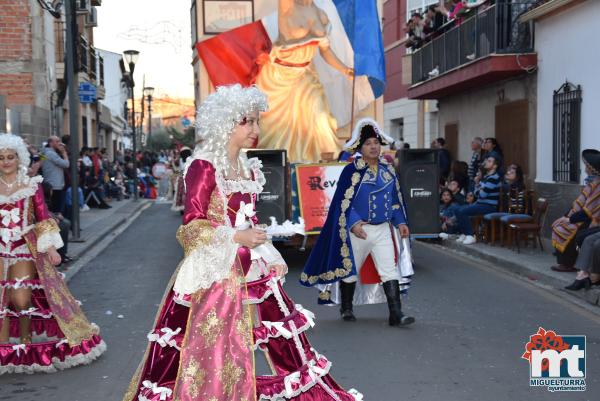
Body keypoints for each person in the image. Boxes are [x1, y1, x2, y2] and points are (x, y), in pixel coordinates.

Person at [122, 85, 362, 401]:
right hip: (215, 273)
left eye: (256, 121)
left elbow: (247, 221)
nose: (255, 130)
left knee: (261, 345)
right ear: (225, 123)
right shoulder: (204, 166)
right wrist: (237, 237)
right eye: (246, 122)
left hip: (251, 268)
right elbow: (191, 228)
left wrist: (267, 247)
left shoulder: (247, 167)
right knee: (215, 352)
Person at [0, 133, 105, 374]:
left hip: (23, 246)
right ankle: (4, 347)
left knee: (21, 298)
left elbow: (42, 216)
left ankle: (25, 345)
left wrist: (49, 248)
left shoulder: (31, 185)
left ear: (19, 159)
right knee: (1, 299)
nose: (6, 162)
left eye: (10, 157)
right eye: (1, 158)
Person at [301, 118, 415, 327]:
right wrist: (353, 223)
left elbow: (395, 201)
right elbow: (343, 203)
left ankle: (396, 314)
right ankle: (346, 307)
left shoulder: (388, 171)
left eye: (376, 143)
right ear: (360, 148)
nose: (373, 147)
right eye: (368, 143)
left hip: (382, 229)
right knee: (350, 272)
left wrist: (400, 222)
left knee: (390, 271)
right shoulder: (351, 171)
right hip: (357, 231)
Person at [255, 0, 354, 162]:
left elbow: (325, 51)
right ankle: (282, 171)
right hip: (279, 78)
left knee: (321, 118)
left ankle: (327, 169)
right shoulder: (287, 6)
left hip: (306, 75)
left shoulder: (320, 14)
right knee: (279, 132)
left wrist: (344, 69)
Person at [551, 149, 600, 272]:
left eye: (587, 166)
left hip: (592, 220)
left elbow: (587, 211)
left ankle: (568, 263)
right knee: (559, 224)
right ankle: (564, 259)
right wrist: (565, 215)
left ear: (592, 168)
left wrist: (569, 219)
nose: (585, 169)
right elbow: (578, 203)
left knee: (563, 228)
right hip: (583, 217)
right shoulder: (593, 183)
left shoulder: (597, 185)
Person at [454, 155, 501, 245]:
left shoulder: (494, 178)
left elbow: (482, 195)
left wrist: (479, 188)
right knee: (457, 209)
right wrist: (477, 184)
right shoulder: (486, 177)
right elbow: (476, 194)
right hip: (480, 204)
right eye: (487, 160)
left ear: (495, 166)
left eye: (490, 161)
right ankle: (465, 233)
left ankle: (470, 235)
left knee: (462, 211)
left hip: (488, 207)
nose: (486, 162)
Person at [41, 136, 70, 213]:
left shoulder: (45, 152)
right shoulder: (51, 154)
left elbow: (41, 164)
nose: (59, 143)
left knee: (54, 208)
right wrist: (64, 153)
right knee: (56, 209)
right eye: (57, 141)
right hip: (55, 184)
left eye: (59, 141)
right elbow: (66, 164)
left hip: (50, 183)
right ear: (51, 143)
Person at [171, 147, 191, 213]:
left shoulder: (179, 160)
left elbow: (175, 167)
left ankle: (182, 207)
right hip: (189, 178)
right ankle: (188, 207)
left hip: (181, 178)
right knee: (188, 193)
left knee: (181, 193)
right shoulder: (191, 159)